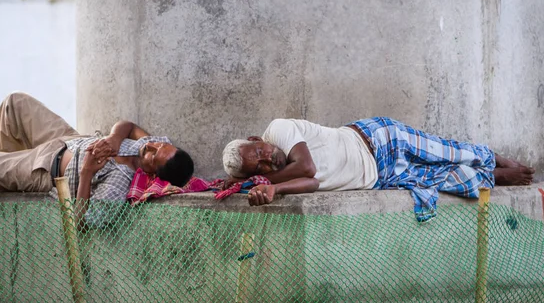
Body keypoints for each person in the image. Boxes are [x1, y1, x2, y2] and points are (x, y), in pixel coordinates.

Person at [0, 92, 194, 228]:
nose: (150, 145)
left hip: (44, 168)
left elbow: (80, 222)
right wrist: (115, 138)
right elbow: (128, 125)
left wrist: (86, 172)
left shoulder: (120, 182)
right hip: (66, 139)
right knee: (15, 104)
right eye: (158, 145)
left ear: (152, 175)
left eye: (153, 154)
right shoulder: (153, 145)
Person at [222, 118, 535, 221]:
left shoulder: (277, 130)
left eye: (260, 152)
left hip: (378, 139)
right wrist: (273, 188)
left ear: (256, 140)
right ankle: (501, 177)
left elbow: (307, 167)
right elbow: (312, 183)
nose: (268, 160)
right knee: (450, 178)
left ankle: (501, 161)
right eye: (260, 166)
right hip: (381, 177)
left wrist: (269, 181)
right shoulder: (266, 179)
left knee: (449, 151)